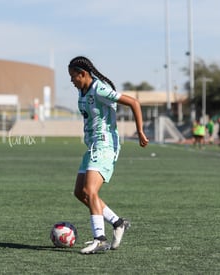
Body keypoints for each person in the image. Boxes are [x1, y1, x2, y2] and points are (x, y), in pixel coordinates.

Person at [68, 56, 149, 254]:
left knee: (91, 191)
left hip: (105, 145)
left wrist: (139, 131)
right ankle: (118, 223)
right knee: (80, 192)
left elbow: (134, 102)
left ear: (83, 74)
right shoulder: (82, 90)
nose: (71, 81)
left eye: (73, 77)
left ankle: (100, 239)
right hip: (92, 146)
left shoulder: (99, 88)